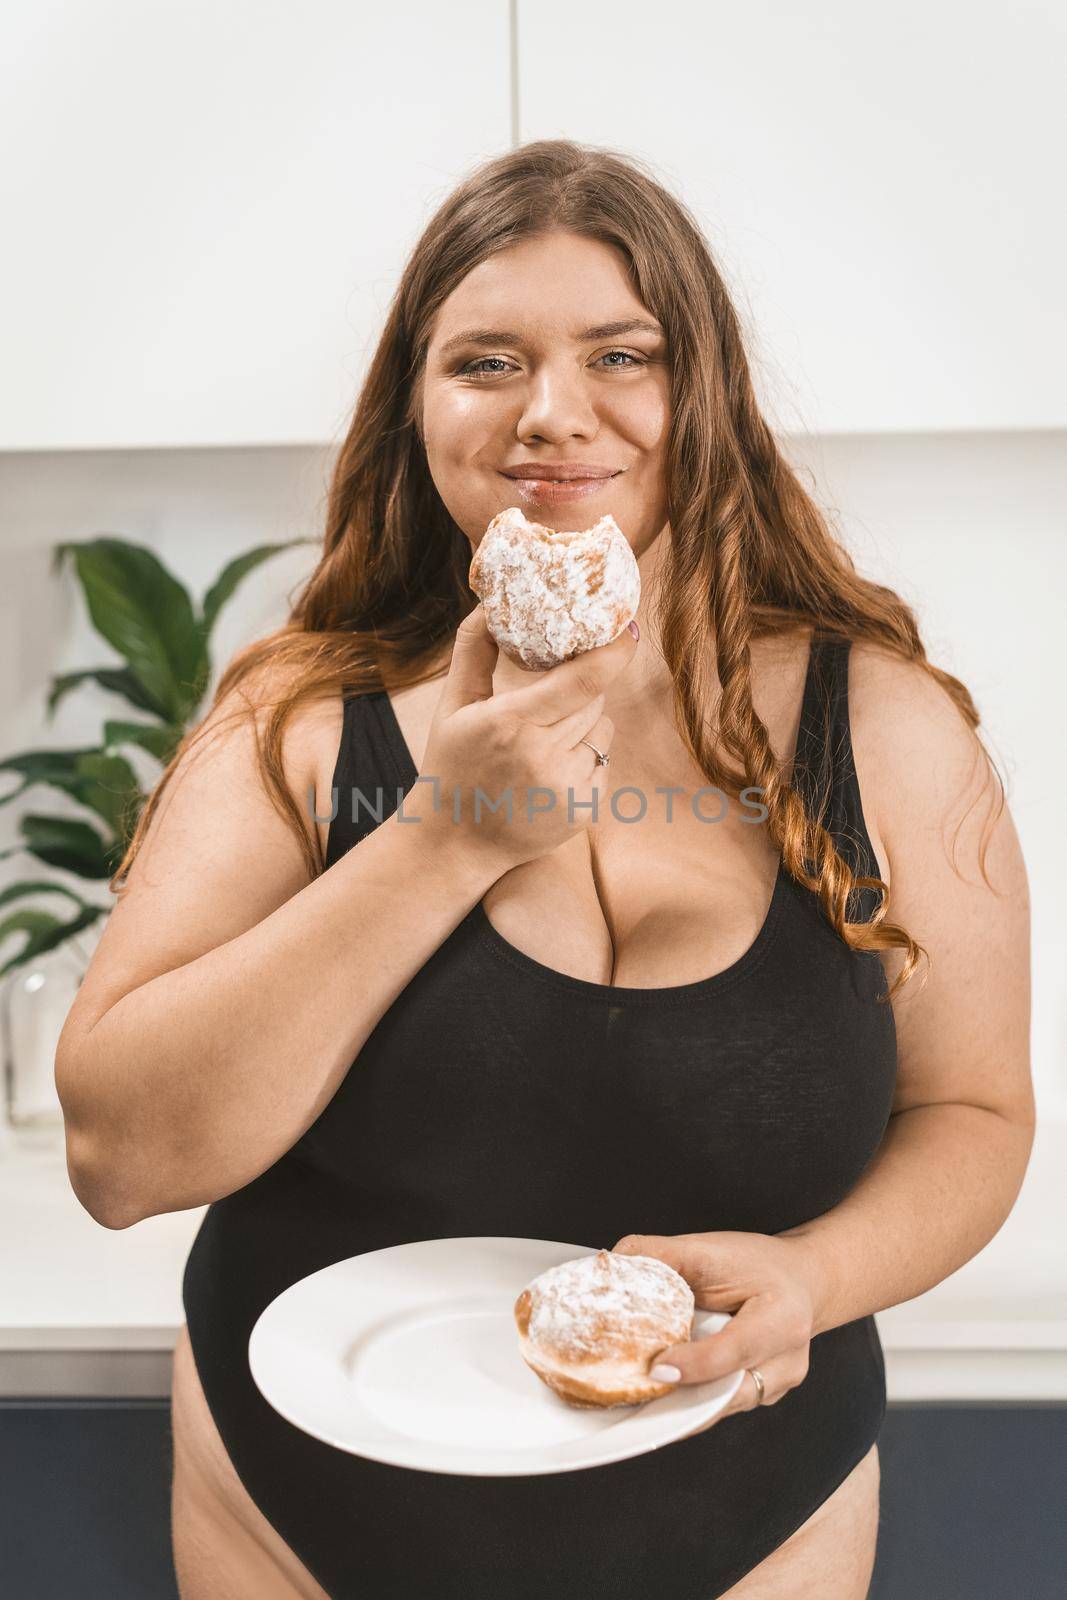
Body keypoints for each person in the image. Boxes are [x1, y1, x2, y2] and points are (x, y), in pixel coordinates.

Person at [55, 140, 1033, 1600]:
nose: (552, 415)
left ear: (704, 395)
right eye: (487, 362)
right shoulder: (296, 727)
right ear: (418, 411)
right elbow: (121, 1160)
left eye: (621, 355)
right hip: (310, 1523)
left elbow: (976, 1111)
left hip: (756, 1511)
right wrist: (439, 838)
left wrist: (819, 1281)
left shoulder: (880, 725)